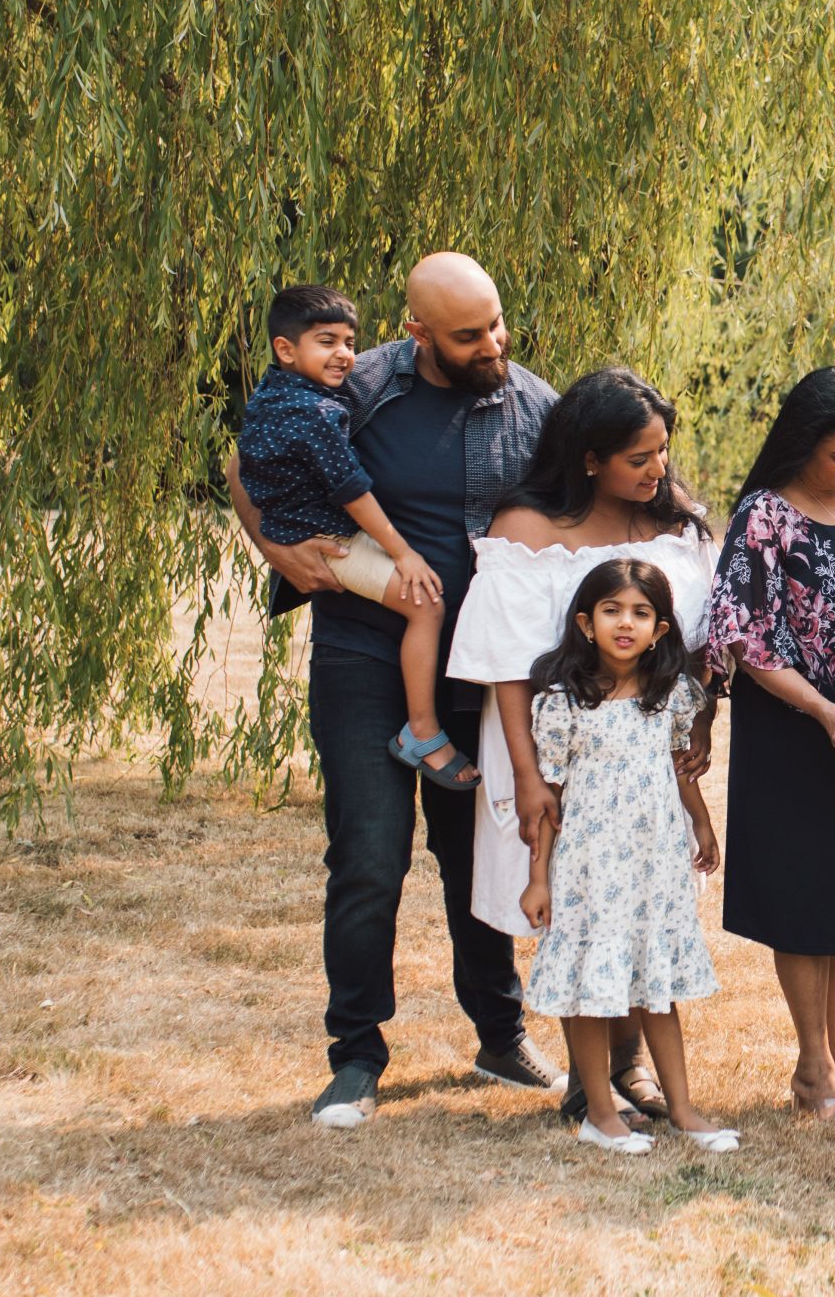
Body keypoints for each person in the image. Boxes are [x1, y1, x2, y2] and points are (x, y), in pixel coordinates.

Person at [224, 253, 562, 1130]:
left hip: (478, 668)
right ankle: (357, 1054)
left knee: (473, 855)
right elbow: (246, 465)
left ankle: (499, 1030)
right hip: (363, 655)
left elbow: (581, 503)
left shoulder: (531, 403)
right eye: (467, 334)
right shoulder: (356, 383)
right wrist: (277, 548)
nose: (493, 344)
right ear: (415, 333)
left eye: (496, 323)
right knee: (370, 854)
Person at [444, 366, 717, 1129]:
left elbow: (701, 645)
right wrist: (531, 779)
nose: (658, 470)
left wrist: (700, 727)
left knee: (641, 906)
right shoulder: (527, 530)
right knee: (577, 905)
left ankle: (630, 1072)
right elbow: (503, 662)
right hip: (560, 749)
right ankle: (589, 1081)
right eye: (639, 458)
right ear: (590, 457)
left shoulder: (681, 527)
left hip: (649, 756)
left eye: (663, 451)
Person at [702, 365, 835, 1119]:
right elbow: (743, 638)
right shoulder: (763, 515)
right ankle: (811, 1064)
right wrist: (821, 708)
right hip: (792, 727)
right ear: (803, 441)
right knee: (801, 898)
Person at [517, 559, 736, 1157]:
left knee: (656, 990)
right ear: (586, 623)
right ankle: (599, 1114)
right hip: (591, 867)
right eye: (612, 611)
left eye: (641, 613)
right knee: (591, 982)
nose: (625, 623)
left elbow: (678, 767)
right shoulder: (565, 702)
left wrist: (701, 821)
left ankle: (685, 1109)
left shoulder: (670, 696)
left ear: (661, 630)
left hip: (654, 864)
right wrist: (538, 879)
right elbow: (550, 798)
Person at [234, 284, 472, 787]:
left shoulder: (278, 391)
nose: (344, 354)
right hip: (326, 538)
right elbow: (352, 491)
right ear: (286, 349)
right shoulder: (315, 414)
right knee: (426, 604)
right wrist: (404, 553)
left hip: (306, 524)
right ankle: (423, 731)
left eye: (349, 341)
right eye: (327, 342)